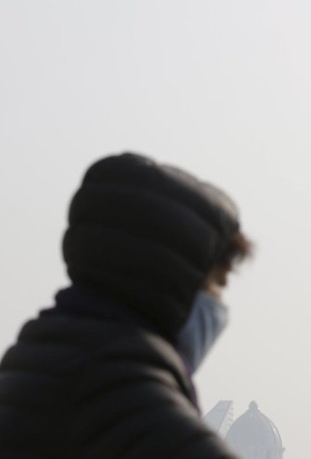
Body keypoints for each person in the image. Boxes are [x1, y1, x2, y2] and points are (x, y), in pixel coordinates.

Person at [0, 153, 252, 458]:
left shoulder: (25, 374)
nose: (218, 305)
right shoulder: (147, 417)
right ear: (171, 281)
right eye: (216, 285)